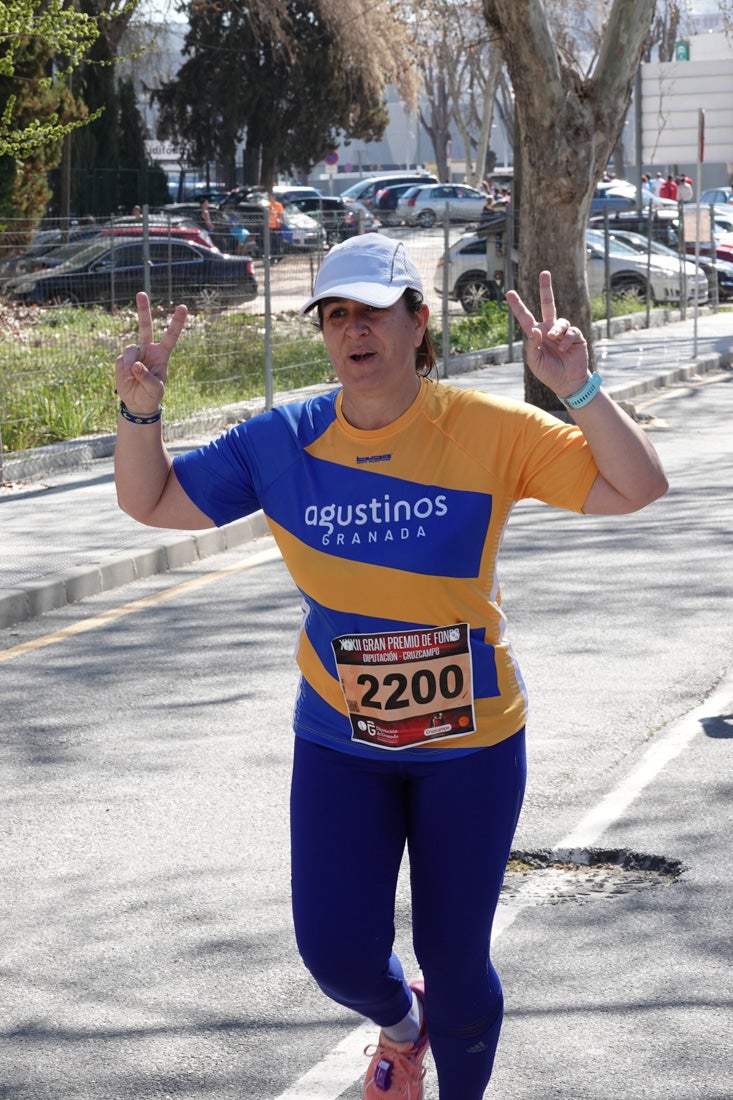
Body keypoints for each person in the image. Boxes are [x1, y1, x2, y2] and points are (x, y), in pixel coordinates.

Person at [113, 234, 668, 1100]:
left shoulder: (487, 430)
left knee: (457, 965)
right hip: (341, 739)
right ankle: (400, 1025)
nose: (352, 331)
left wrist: (578, 390)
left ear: (417, 322)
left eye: (373, 311)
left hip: (472, 746)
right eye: (335, 315)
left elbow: (637, 486)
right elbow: (149, 501)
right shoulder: (281, 442)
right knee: (334, 954)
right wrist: (140, 411)